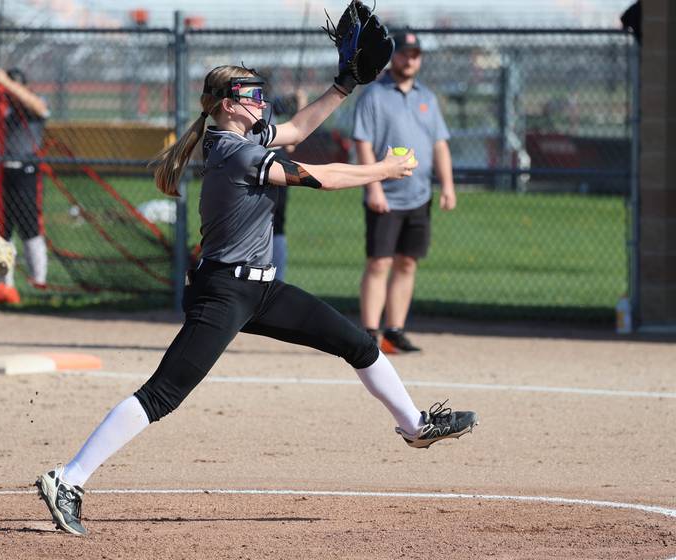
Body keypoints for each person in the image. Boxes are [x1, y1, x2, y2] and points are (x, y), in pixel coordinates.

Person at [35, 62, 478, 536]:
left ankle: (415, 426)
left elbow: (299, 128)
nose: (262, 102)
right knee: (163, 394)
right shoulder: (238, 152)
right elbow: (320, 176)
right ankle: (69, 478)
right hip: (224, 293)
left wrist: (344, 84)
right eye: (253, 96)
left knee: (358, 344)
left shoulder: (242, 139)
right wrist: (383, 170)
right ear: (229, 104)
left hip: (260, 290)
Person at [353, 31, 456, 354]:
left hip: (419, 193)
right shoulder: (374, 95)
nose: (409, 60)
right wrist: (373, 187)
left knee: (407, 262)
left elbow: (439, 144)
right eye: (403, 54)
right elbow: (363, 143)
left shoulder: (427, 97)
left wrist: (447, 185)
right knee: (379, 262)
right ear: (392, 56)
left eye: (415, 54)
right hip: (386, 194)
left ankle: (394, 332)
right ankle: (369, 333)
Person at [0, 67, 50, 304]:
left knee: (30, 228)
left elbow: (41, 109)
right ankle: (4, 284)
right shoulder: (0, 107)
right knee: (1, 229)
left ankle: (39, 281)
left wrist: (8, 83)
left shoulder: (32, 103)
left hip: (24, 172)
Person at [270, 88, 308, 281]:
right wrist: (300, 101)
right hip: (268, 157)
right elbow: (292, 143)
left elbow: (293, 140)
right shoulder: (267, 103)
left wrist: (298, 99)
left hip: (274, 157)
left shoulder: (268, 103)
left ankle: (276, 281)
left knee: (275, 224)